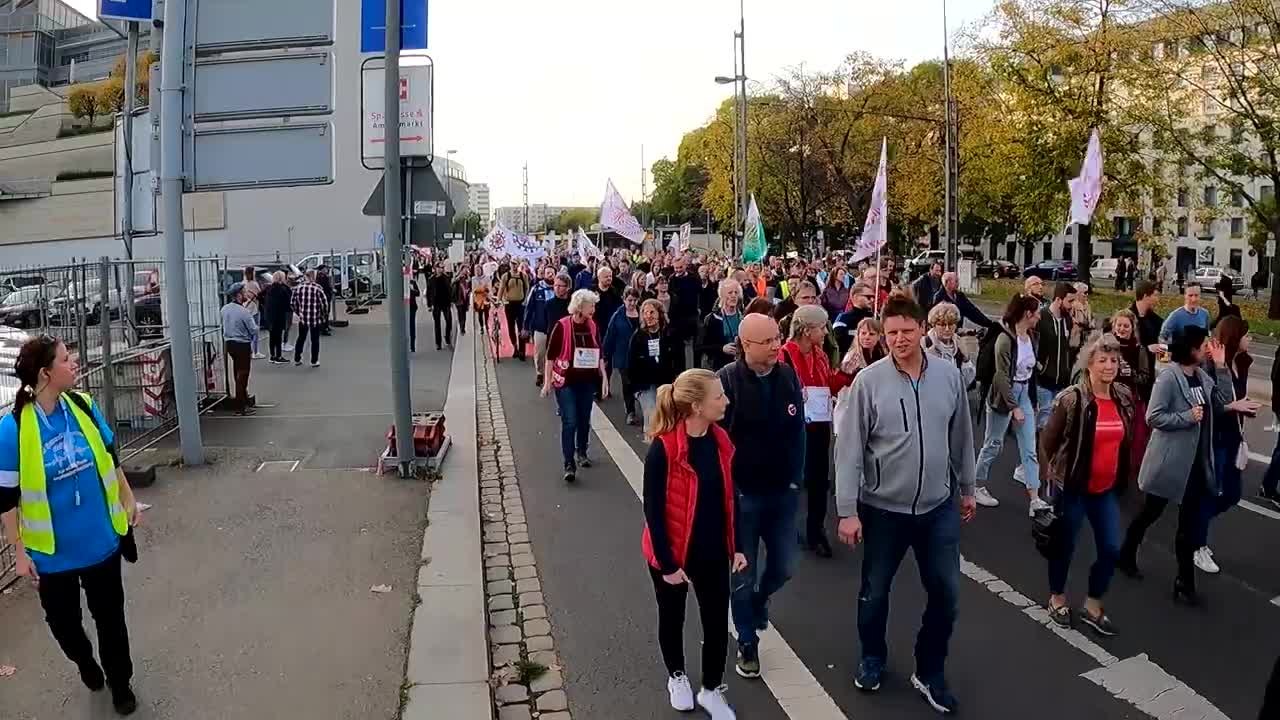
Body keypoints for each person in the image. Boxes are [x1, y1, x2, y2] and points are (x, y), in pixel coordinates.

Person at [834, 295, 976, 713]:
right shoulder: (869, 381)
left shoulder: (948, 377)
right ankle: (872, 656)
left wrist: (967, 487)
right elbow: (850, 449)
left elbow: (962, 435)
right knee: (875, 592)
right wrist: (847, 510)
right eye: (891, 332)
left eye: (907, 331)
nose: (899, 339)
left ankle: (929, 669)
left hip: (938, 507)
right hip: (883, 509)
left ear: (921, 330)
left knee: (947, 594)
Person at [0, 335, 143, 716]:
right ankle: (85, 662)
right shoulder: (12, 429)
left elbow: (109, 456)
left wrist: (127, 499)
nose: (74, 361)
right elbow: (5, 500)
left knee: (111, 619)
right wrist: (18, 552)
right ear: (46, 374)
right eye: (66, 358)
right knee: (65, 627)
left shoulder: (83, 405)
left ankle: (120, 682)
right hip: (52, 555)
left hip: (100, 541)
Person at [643, 371, 746, 717]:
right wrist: (668, 565)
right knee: (672, 617)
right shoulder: (664, 449)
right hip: (673, 553)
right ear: (697, 406)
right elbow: (653, 511)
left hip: (713, 551)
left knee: (717, 623)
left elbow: (732, 499)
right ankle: (677, 676)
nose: (726, 401)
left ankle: (712, 689)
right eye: (719, 397)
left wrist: (739, 545)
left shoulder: (720, 442)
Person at [716, 314, 805, 680]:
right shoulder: (727, 381)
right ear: (745, 345)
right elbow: (715, 442)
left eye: (777, 338)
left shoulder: (787, 375)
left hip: (781, 492)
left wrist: (797, 479)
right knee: (742, 575)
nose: (776, 345)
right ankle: (747, 642)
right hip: (742, 497)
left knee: (785, 565)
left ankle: (757, 602)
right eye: (768, 340)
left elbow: (798, 429)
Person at [1117, 325, 1231, 605]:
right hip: (1170, 463)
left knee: (1188, 526)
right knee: (1150, 513)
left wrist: (1222, 367)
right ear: (1191, 349)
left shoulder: (1203, 376)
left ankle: (1184, 582)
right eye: (1204, 344)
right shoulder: (1169, 378)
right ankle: (1126, 554)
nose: (1208, 347)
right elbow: (1154, 417)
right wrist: (1186, 417)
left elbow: (1223, 402)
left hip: (1195, 465)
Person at [1040, 334, 1134, 636]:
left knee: (1110, 548)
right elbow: (1048, 442)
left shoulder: (1122, 395)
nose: (1109, 365)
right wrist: (1048, 480)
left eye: (1113, 360)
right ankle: (1057, 597)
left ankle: (1093, 604)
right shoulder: (1072, 398)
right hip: (1073, 489)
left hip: (1105, 489)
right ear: (1089, 365)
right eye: (1102, 360)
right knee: (1065, 546)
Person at [780, 305, 853, 559]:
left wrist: (845, 374)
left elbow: (828, 386)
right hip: (794, 429)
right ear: (807, 330)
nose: (825, 332)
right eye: (821, 328)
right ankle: (786, 530)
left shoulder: (820, 355)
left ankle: (816, 531)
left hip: (820, 426)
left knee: (819, 482)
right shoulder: (784, 356)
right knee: (792, 482)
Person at [974, 294, 1050, 515]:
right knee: (993, 443)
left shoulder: (1032, 337)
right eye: (1036, 313)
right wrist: (1013, 406)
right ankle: (976, 485)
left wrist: (1031, 400)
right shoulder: (1005, 339)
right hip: (1003, 395)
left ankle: (1035, 499)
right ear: (1027, 314)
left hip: (1024, 391)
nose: (1038, 317)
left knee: (1029, 446)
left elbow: (1031, 372)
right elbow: (1001, 376)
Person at [1197, 316, 1260, 573]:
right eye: (1246, 334)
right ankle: (1196, 544)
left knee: (1232, 494)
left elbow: (1236, 398)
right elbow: (1212, 404)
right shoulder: (1211, 365)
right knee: (1211, 493)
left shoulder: (1240, 363)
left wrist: (1243, 408)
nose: (1250, 338)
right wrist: (1233, 405)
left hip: (1234, 436)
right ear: (1235, 337)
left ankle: (1193, 527)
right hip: (1217, 439)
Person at [543, 290, 609, 483]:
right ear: (580, 306)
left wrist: (604, 378)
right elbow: (550, 356)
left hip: (586, 381)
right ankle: (569, 463)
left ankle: (582, 451)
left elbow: (599, 353)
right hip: (565, 381)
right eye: (591, 306)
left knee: (583, 419)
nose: (594, 309)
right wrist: (547, 382)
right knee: (570, 420)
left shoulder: (593, 326)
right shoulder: (562, 326)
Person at [1034, 283, 1083, 430]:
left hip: (1062, 380)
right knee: (1045, 418)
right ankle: (1039, 449)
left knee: (1057, 421)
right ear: (1058, 299)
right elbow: (1033, 344)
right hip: (1044, 379)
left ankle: (1047, 450)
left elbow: (1072, 347)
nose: (1072, 305)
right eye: (1069, 301)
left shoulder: (1068, 320)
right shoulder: (1041, 317)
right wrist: (1039, 366)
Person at [629, 299, 682, 431]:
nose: (648, 316)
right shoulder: (638, 336)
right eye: (645, 313)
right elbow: (630, 363)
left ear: (659, 314)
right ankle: (651, 444)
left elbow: (680, 359)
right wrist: (635, 388)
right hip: (645, 384)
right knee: (652, 414)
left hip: (666, 381)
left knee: (668, 417)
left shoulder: (670, 333)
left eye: (652, 312)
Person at [922, 303, 977, 414]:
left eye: (951, 324)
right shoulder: (925, 344)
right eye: (942, 324)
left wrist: (966, 358)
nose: (947, 329)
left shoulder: (959, 344)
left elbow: (967, 381)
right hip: (929, 405)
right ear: (934, 325)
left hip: (953, 403)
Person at [525, 268, 571, 388]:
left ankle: (554, 376)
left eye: (552, 273)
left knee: (555, 358)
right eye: (556, 285)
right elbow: (529, 308)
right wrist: (526, 326)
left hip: (560, 334)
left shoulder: (571, 302)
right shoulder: (537, 289)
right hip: (541, 328)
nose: (557, 288)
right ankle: (540, 373)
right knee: (540, 354)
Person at [603, 288, 643, 424]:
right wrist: (605, 356)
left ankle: (644, 406)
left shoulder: (643, 314)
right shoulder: (617, 316)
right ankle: (630, 411)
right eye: (629, 300)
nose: (632, 303)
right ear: (624, 300)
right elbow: (610, 336)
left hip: (641, 355)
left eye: (634, 300)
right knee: (627, 383)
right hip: (623, 355)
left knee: (640, 382)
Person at [221, 282, 257, 416]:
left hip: (230, 344)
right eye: (244, 292)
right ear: (238, 295)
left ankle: (244, 398)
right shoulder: (244, 312)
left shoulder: (224, 309)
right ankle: (241, 405)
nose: (246, 294)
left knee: (237, 371)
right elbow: (253, 330)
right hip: (242, 344)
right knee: (243, 374)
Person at [698, 278, 743, 371]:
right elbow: (701, 346)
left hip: (741, 365)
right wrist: (722, 348)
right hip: (720, 367)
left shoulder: (743, 316)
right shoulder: (712, 319)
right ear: (722, 296)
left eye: (736, 292)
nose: (734, 296)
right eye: (730, 293)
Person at [932, 272, 998, 332]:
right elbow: (935, 320)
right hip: (943, 333)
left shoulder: (960, 296)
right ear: (947, 282)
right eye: (956, 281)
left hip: (957, 332)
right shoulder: (938, 297)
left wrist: (989, 324)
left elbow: (972, 311)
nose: (958, 284)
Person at [291, 269, 328, 368]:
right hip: (315, 318)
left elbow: (293, 303)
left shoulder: (298, 288)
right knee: (315, 340)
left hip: (303, 318)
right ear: (313, 277)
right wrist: (323, 316)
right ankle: (314, 360)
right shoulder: (318, 288)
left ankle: (297, 358)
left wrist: (299, 312)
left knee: (301, 338)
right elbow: (324, 304)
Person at [833, 283, 876, 356]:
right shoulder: (843, 318)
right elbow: (837, 344)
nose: (872, 300)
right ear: (855, 297)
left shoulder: (874, 318)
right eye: (868, 297)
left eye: (873, 297)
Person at [499, 263, 530, 360]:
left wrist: (526, 300)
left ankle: (522, 351)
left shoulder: (523, 276)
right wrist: (500, 300)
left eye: (516, 264)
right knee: (511, 327)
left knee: (522, 327)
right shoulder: (506, 276)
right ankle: (515, 347)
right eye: (512, 264)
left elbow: (527, 288)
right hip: (509, 304)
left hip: (520, 304)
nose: (514, 266)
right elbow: (501, 289)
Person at [264, 271, 292, 364]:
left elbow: (261, 296)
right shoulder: (283, 289)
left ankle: (272, 355)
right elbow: (288, 303)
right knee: (278, 336)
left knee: (272, 336)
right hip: (279, 315)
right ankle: (278, 356)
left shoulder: (269, 288)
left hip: (269, 315)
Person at [424, 263, 454, 352]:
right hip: (436, 304)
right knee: (437, 324)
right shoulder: (431, 279)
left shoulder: (446, 278)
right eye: (440, 268)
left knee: (449, 321)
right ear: (436, 269)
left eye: (442, 268)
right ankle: (438, 343)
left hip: (445, 303)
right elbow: (428, 293)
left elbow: (450, 290)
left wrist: (451, 301)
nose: (441, 269)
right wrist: (429, 305)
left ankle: (447, 337)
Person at [241, 266, 265, 359]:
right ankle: (256, 352)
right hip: (254, 308)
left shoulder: (243, 284)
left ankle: (248, 351)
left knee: (246, 331)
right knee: (255, 330)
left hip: (245, 308)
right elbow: (259, 294)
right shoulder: (254, 284)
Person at [452, 266, 471, 336]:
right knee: (460, 313)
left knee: (464, 314)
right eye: (464, 269)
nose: (466, 271)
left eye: (467, 269)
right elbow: (452, 282)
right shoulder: (458, 277)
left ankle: (463, 327)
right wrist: (458, 277)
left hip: (465, 298)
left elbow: (470, 287)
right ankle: (461, 328)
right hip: (458, 298)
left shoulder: (468, 278)